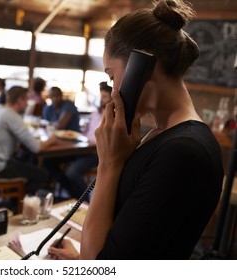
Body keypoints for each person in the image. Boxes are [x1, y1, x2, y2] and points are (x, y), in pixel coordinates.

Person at [48, 0, 223, 260]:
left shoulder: (184, 152)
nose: (111, 91)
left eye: (111, 76)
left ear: (139, 68)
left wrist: (108, 163)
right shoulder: (161, 133)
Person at [0, 85, 57, 197]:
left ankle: (12, 197)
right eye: (26, 100)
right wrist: (52, 139)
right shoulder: (12, 116)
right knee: (41, 175)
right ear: (20, 100)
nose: (27, 104)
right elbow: (36, 148)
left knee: (23, 159)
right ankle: (15, 205)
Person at [63, 82, 112, 198]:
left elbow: (106, 141)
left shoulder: (112, 117)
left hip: (96, 153)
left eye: (105, 97)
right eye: (101, 96)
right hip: (82, 148)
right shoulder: (95, 113)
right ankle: (72, 196)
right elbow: (85, 132)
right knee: (52, 162)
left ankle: (84, 200)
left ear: (112, 99)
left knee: (71, 171)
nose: (101, 99)